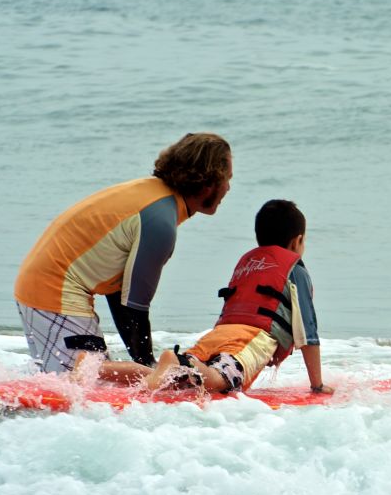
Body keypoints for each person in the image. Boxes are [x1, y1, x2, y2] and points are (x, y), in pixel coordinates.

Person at [13, 133, 232, 374]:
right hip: (54, 290)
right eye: (227, 179)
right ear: (209, 182)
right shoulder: (161, 222)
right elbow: (135, 306)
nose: (228, 188)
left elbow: (121, 297)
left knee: (75, 380)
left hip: (42, 285)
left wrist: (144, 364)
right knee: (86, 385)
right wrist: (151, 369)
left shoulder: (153, 195)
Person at [88, 199, 334, 395]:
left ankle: (99, 369)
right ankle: (176, 360)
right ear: (298, 241)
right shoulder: (295, 271)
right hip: (249, 339)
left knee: (178, 378)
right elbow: (308, 334)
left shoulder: (248, 263)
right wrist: (317, 385)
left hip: (217, 335)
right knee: (222, 380)